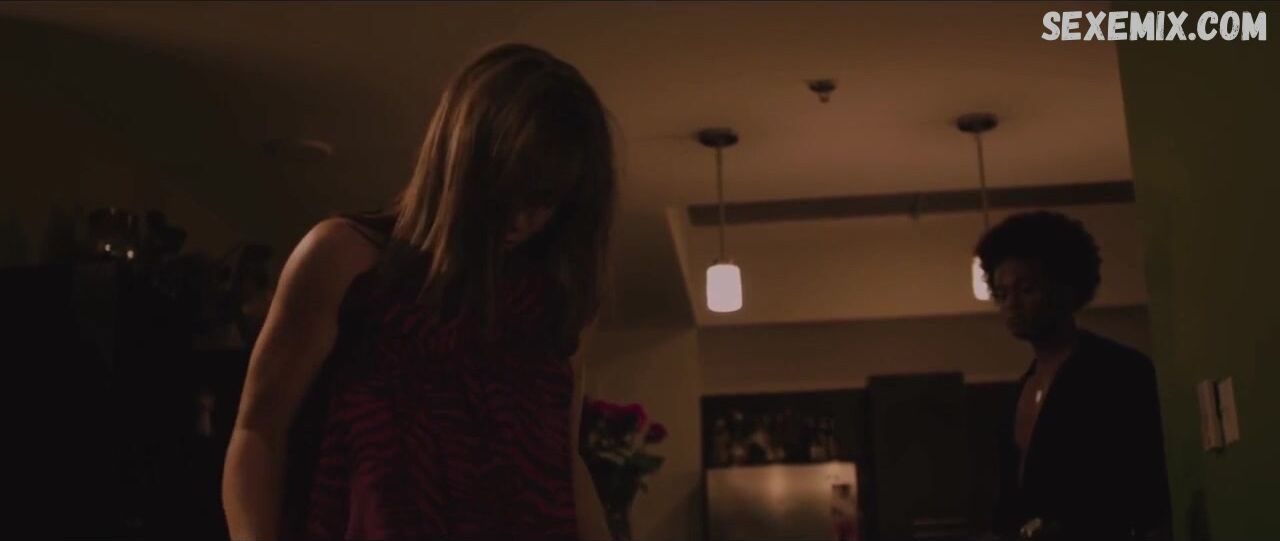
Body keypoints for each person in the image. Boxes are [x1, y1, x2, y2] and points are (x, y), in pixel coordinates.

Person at [222, 43, 616, 541]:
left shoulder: (552, 306)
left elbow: (563, 463)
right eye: (509, 187)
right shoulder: (345, 260)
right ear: (463, 161)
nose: (521, 218)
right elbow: (259, 433)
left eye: (545, 199)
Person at [977, 211, 1171, 541]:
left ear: (1065, 289)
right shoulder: (1019, 392)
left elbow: (1149, 490)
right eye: (1002, 293)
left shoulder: (1118, 372)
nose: (1012, 305)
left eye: (1026, 289)